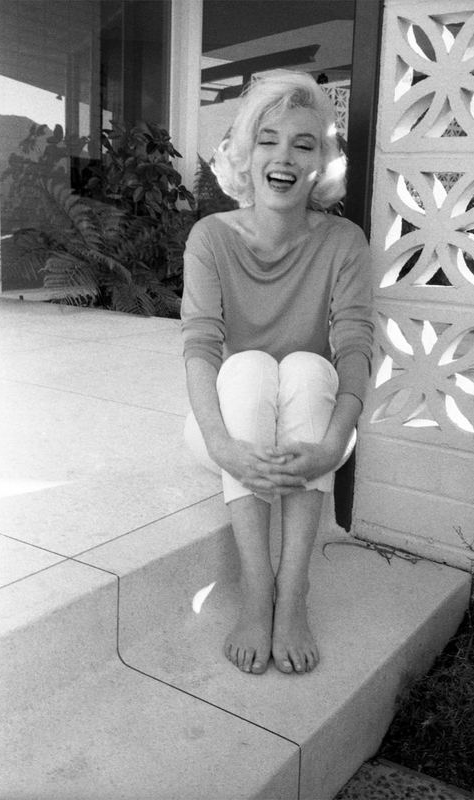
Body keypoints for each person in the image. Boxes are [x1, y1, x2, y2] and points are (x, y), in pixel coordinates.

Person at [181, 70, 373, 677]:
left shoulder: (344, 241)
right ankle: (255, 586)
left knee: (310, 368)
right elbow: (200, 346)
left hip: (313, 425)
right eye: (268, 140)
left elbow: (355, 348)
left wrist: (335, 446)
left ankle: (293, 591)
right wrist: (221, 445)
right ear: (246, 153)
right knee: (247, 368)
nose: (284, 157)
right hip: (226, 424)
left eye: (303, 144)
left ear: (322, 164)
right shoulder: (211, 237)